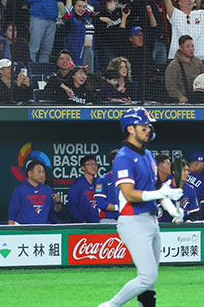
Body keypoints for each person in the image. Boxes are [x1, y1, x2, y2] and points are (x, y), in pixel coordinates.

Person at [97, 108, 183, 307]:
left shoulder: (148, 155)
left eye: (149, 126)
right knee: (147, 276)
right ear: (130, 129)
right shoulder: (123, 157)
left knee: (151, 280)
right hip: (132, 220)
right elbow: (129, 194)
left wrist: (172, 210)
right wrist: (163, 194)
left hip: (151, 219)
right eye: (143, 126)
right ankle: (110, 305)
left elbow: (156, 189)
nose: (148, 130)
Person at [8, 160, 62, 224]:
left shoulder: (48, 189)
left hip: (44, 230)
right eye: (39, 172)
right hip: (24, 231)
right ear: (30, 174)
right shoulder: (19, 191)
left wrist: (58, 202)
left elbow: (56, 210)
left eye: (43, 172)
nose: (42, 175)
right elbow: (12, 216)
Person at [68, 154, 101, 223]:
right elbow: (73, 207)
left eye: (95, 164)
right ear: (83, 168)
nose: (93, 167)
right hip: (84, 226)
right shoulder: (77, 185)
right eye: (90, 164)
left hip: (99, 223)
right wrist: (81, 221)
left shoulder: (99, 184)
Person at [94, 150, 119, 222]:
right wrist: (119, 207)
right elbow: (101, 203)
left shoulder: (128, 179)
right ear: (113, 161)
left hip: (126, 219)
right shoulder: (103, 180)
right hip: (109, 220)